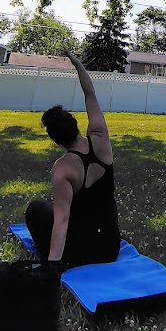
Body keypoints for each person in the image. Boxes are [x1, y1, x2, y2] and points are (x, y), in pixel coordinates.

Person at [25, 52, 121, 271]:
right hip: (109, 247)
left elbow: (61, 221)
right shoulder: (100, 139)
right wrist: (78, 64)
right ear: (76, 123)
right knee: (50, 209)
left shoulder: (62, 168)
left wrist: (52, 267)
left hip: (79, 253)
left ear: (55, 140)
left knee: (36, 209)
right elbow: (90, 94)